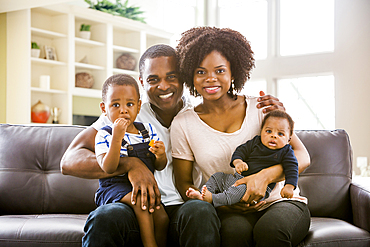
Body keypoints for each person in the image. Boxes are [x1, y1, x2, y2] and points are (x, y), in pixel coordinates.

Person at [60, 44, 286, 247]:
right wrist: (130, 164)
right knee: (106, 216)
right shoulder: (127, 112)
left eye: (171, 77)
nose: (163, 86)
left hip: (183, 205)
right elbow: (69, 161)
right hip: (134, 206)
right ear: (141, 82)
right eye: (153, 79)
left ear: (184, 78)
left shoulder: (198, 116)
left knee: (200, 211)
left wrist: (273, 113)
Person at [172, 26, 311, 247]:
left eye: (219, 71)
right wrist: (223, 203)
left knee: (271, 232)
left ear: (233, 72)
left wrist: (265, 176)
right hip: (231, 207)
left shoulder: (261, 107)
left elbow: (302, 155)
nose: (210, 79)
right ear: (190, 75)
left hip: (280, 201)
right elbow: (184, 183)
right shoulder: (183, 123)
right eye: (200, 72)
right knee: (234, 234)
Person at [94, 74, 168, 247]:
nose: (123, 110)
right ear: (104, 108)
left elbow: (159, 166)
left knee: (162, 217)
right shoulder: (104, 134)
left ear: (138, 106)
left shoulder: (147, 130)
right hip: (114, 188)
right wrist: (116, 139)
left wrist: (161, 155)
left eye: (129, 104)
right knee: (142, 204)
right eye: (116, 105)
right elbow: (108, 167)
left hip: (144, 187)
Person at [186, 110, 305, 209]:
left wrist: (289, 185)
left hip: (256, 189)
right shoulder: (255, 142)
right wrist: (238, 162)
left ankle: (212, 199)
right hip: (236, 179)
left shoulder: (286, 151)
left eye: (280, 134)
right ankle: (204, 193)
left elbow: (292, 168)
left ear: (289, 139)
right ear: (261, 131)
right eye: (268, 131)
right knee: (217, 177)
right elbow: (240, 151)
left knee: (238, 191)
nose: (273, 136)